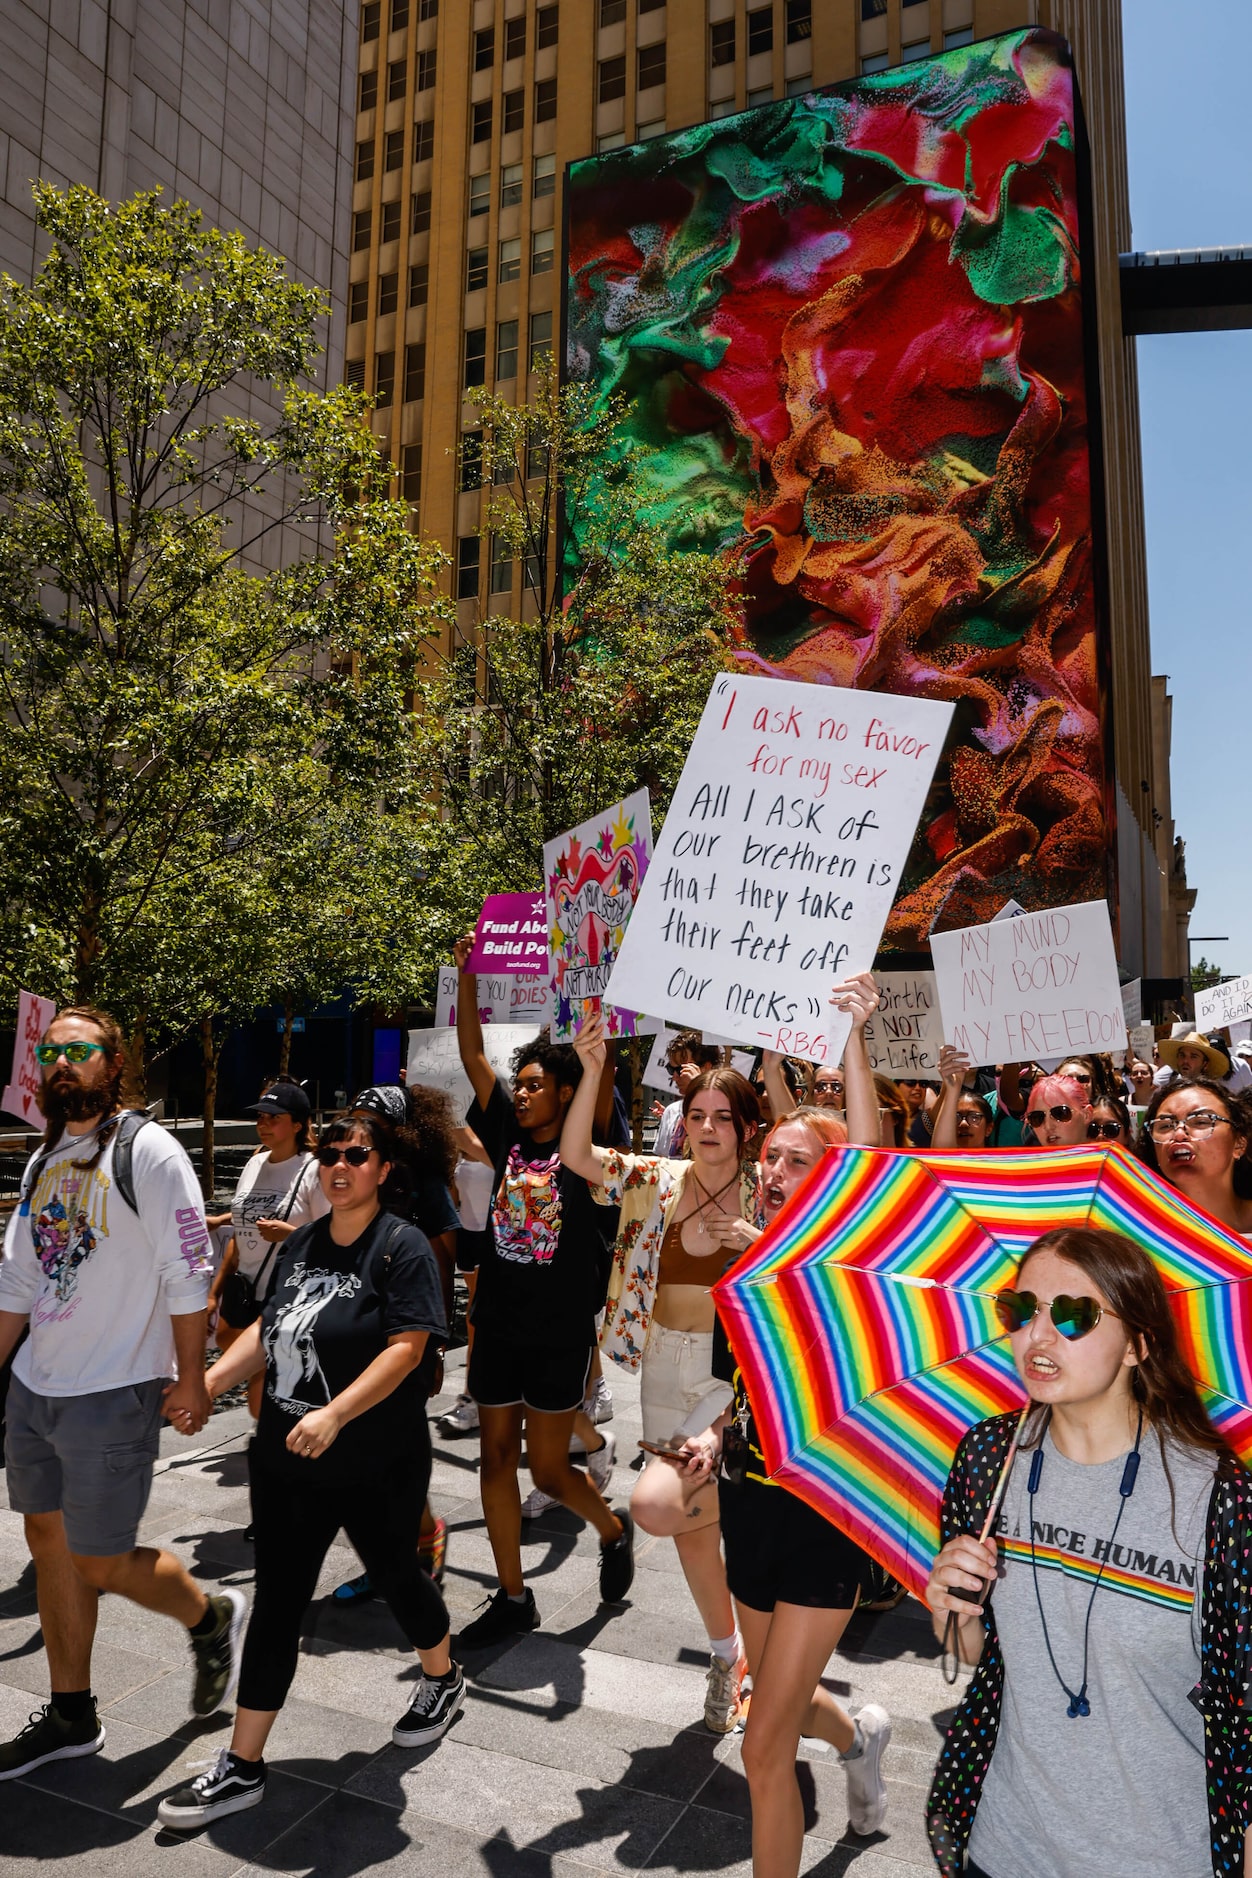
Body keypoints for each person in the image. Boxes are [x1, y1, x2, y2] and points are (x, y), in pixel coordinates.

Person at [157, 1110, 460, 1828]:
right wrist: (207, 1382)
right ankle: (243, 1767)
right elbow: (269, 1330)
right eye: (330, 1153)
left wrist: (335, 1414)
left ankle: (442, 1678)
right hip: (286, 1455)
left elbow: (407, 1349)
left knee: (394, 1574)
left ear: (385, 1168)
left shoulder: (403, 1247)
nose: (340, 1164)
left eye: (358, 1154)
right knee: (279, 1602)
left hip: (376, 1455)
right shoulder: (303, 1246)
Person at [926, 1225, 1252, 1878]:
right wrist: (951, 1607)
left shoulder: (1216, 1499)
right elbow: (974, 1653)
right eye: (1020, 1311)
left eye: (1073, 1315)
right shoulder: (990, 1459)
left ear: (1139, 1343)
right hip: (1003, 1847)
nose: (1038, 1339)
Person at [0, 1005, 244, 1783]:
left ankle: (210, 1617)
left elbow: (187, 1272)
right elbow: (19, 1277)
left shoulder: (151, 1152)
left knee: (99, 1559)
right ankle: (72, 1712)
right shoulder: (45, 1162)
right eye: (52, 1051)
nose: (63, 1061)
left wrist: (193, 1376)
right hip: (37, 1384)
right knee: (48, 1547)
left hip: (114, 1390)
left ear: (115, 1063)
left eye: (81, 1049)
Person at [694, 974, 893, 1873]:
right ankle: (862, 1740)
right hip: (749, 1506)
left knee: (761, 1747)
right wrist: (711, 1436)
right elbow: (742, 1389)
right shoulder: (749, 1270)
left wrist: (852, 1034)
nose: (772, 1172)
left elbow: (874, 1160)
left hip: (826, 1520)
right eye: (767, 1157)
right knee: (780, 1695)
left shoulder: (849, 1258)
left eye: (796, 1161)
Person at [561, 1015, 761, 1732]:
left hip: (730, 1375)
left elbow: (810, 1273)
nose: (707, 1128)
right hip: (661, 1367)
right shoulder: (657, 1179)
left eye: (722, 1118)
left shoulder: (770, 1192)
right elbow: (579, 1156)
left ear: (744, 1127)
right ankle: (726, 1655)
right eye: (697, 1116)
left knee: (654, 1506)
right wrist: (592, 1069)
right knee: (691, 1529)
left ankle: (755, 1648)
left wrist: (756, 1244)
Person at [451, 939, 633, 1650]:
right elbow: (472, 1055)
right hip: (496, 1324)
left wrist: (603, 1021)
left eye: (534, 1085)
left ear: (565, 1093)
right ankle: (512, 1594)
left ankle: (612, 1531)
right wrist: (467, 971)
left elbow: (604, 1068)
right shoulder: (505, 1134)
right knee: (496, 1459)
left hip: (559, 1333)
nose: (520, 1093)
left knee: (551, 1472)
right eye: (518, 1084)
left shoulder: (589, 1151)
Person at [333, 1081, 461, 1599]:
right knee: (363, 1454)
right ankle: (388, 1557)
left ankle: (422, 1538)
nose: (362, 1127)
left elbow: (443, 1260)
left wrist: (437, 1346)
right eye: (357, 1115)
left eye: (374, 1121)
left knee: (393, 1451)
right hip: (357, 1330)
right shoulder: (351, 1172)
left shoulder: (422, 1181)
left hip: (404, 1335)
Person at [211, 1080, 327, 1419]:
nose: (263, 1124)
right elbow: (242, 1227)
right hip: (246, 1289)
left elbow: (333, 1236)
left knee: (258, 1396)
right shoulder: (254, 1164)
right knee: (226, 1339)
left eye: (273, 1118)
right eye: (260, 1117)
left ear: (298, 1124)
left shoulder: (314, 1169)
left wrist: (289, 1234)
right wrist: (214, 1292)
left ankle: (275, 1441)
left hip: (286, 1292)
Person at [1137, 1076, 1252, 1236]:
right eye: (1165, 1125)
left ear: (1239, 1144)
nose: (1178, 1134)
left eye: (1200, 1122)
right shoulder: (1143, 1234)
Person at [653, 1031, 722, 1157]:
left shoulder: (727, 1109)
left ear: (706, 1067)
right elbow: (662, 1162)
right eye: (671, 1069)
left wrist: (699, 1087)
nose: (674, 1077)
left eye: (680, 1069)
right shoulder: (671, 1111)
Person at [1020, 1072, 1093, 1146]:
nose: (1048, 1126)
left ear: (1086, 1114)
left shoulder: (1104, 1154)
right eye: (1037, 1118)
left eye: (1060, 1114)